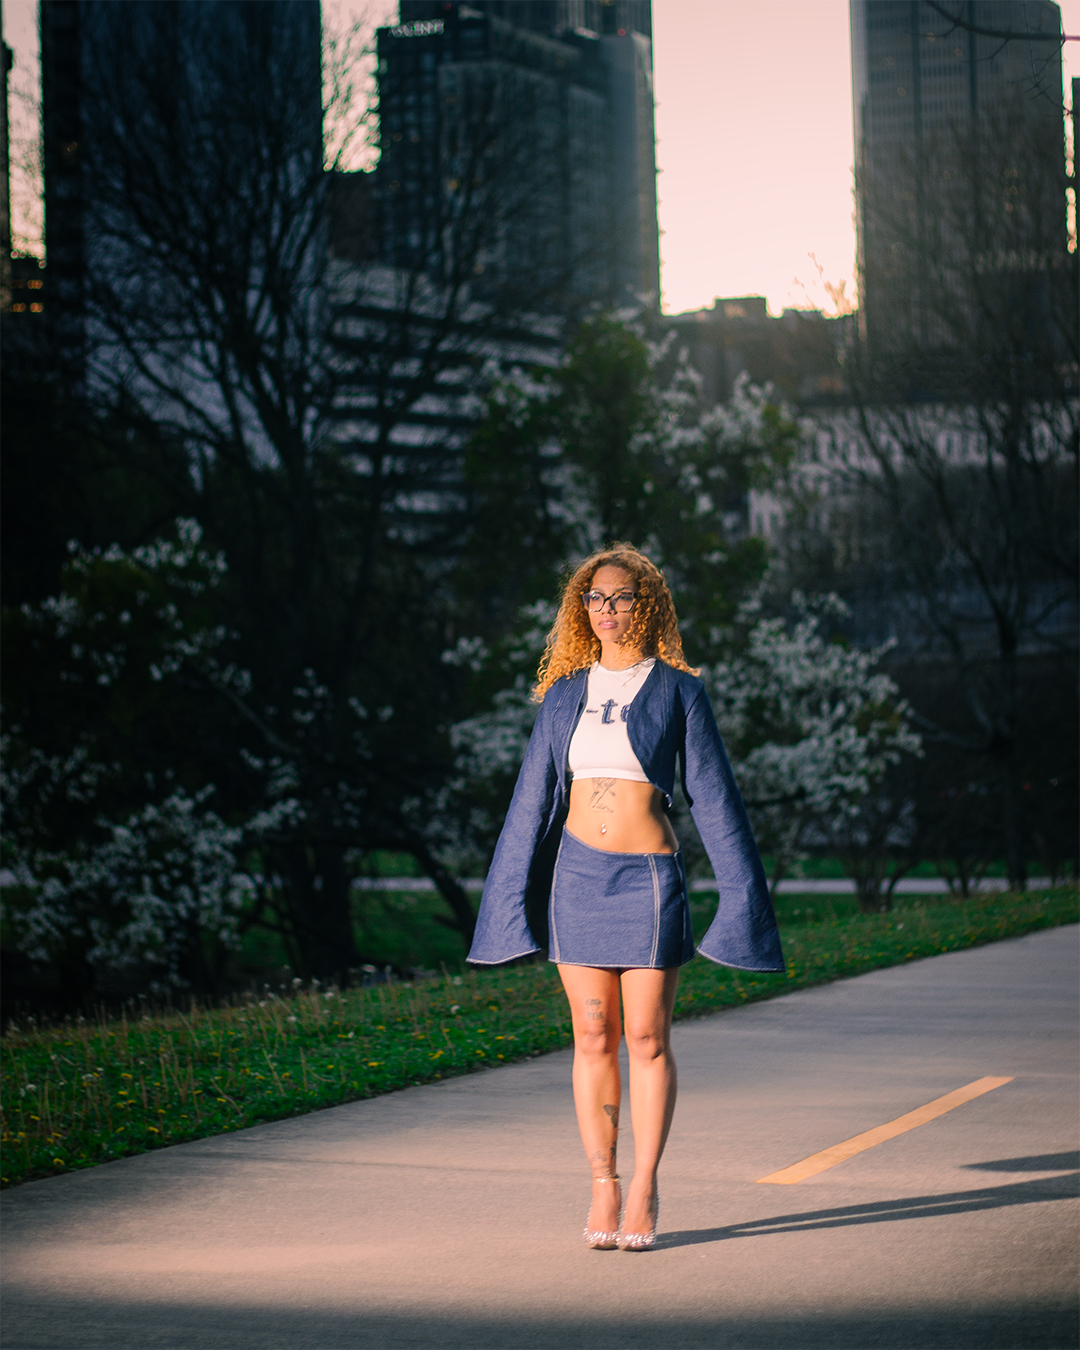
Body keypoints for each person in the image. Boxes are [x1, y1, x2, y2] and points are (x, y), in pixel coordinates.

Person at [468, 545, 783, 1251]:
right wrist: (506, 902)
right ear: (583, 609)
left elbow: (715, 797)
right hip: (576, 881)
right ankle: (603, 1182)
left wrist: (744, 902)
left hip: (646, 878)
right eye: (595, 599)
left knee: (644, 1037)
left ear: (650, 605)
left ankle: (645, 1183)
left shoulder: (678, 691)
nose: (608, 611)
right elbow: (530, 802)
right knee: (592, 1036)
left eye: (622, 598)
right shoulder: (561, 696)